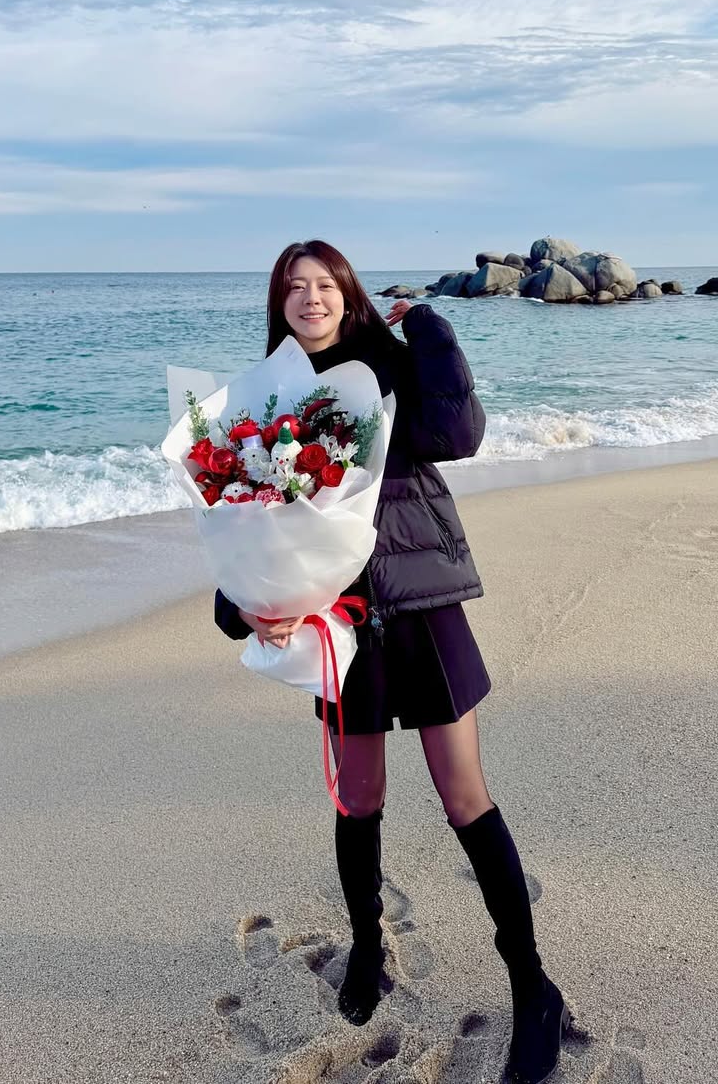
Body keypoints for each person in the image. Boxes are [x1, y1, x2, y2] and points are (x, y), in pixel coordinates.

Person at [214, 240, 571, 1084]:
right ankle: (368, 946)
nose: (310, 297)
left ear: (348, 294)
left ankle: (534, 986)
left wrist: (433, 332)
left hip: (422, 606)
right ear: (280, 303)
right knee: (359, 794)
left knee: (465, 794)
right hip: (340, 623)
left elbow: (459, 432)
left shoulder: (391, 367)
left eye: (324, 284)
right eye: (294, 287)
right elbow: (246, 516)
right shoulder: (268, 398)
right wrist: (245, 606)